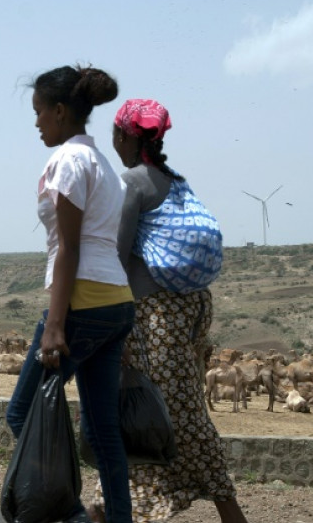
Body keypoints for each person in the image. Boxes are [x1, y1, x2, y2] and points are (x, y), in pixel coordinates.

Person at [90, 98, 250, 523]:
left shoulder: (132, 182)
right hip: (192, 309)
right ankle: (106, 507)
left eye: (114, 134)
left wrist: (115, 328)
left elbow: (117, 257)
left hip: (156, 315)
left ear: (124, 135)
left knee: (171, 412)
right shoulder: (175, 181)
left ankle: (120, 507)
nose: (113, 141)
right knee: (158, 408)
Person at [5, 65, 135, 523]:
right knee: (103, 433)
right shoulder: (104, 164)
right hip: (116, 302)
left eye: (39, 111)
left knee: (23, 414)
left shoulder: (68, 161)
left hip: (82, 304)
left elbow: (69, 247)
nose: (36, 121)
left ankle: (76, 518)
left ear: (60, 111)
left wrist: (55, 326)